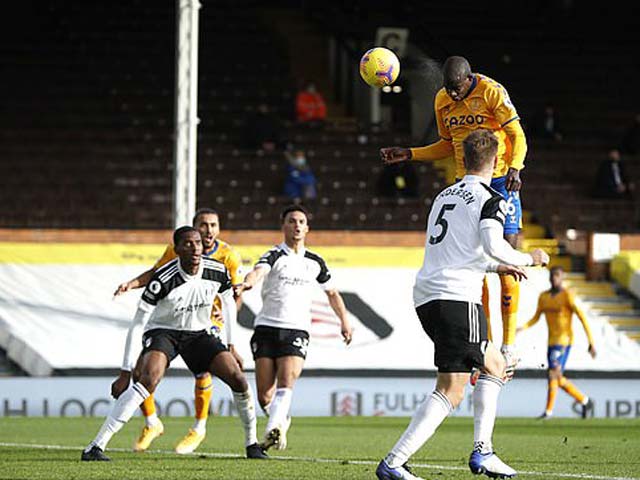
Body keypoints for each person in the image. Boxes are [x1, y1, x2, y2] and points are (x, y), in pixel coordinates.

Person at [376, 130, 549, 480]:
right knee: (491, 368)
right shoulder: (492, 198)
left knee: (457, 383)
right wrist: (530, 257)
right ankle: (469, 454)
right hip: (458, 298)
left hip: (428, 296)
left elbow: (456, 253)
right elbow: (494, 244)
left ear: (463, 158)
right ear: (497, 160)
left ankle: (403, 463)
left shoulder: (443, 196)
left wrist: (498, 266)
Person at [380, 56, 528, 372]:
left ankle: (510, 345)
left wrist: (516, 167)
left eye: (458, 89)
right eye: (449, 89)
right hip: (467, 184)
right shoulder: (443, 99)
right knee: (478, 264)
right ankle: (485, 341)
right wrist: (410, 154)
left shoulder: (491, 92)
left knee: (509, 257)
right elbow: (447, 145)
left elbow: (518, 135)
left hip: (501, 179)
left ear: (469, 78)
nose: (454, 95)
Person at [82, 227, 267, 461]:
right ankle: (95, 447)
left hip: (199, 334)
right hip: (164, 332)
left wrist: (231, 345)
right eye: (188, 244)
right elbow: (138, 323)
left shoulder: (217, 270)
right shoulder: (163, 279)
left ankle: (252, 445)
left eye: (198, 243)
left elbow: (229, 302)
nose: (195, 248)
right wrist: (125, 372)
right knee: (148, 380)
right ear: (177, 249)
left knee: (238, 379)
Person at [113, 208, 244, 454]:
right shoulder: (179, 248)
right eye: (203, 225)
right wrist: (132, 283)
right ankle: (152, 422)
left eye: (213, 225)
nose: (208, 230)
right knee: (142, 370)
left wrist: (225, 317)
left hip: (207, 319)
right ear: (194, 228)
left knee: (203, 371)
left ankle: (199, 427)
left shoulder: (229, 255)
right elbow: (157, 273)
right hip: (173, 319)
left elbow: (236, 296)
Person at [234, 205, 353, 451]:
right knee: (265, 397)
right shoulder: (274, 255)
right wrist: (246, 284)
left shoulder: (314, 261)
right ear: (283, 226)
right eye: (292, 221)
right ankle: (281, 421)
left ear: (307, 228)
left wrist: (344, 321)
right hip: (266, 327)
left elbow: (332, 293)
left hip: (296, 329)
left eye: (301, 221)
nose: (297, 225)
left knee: (286, 380)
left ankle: (272, 428)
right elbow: (258, 272)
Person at [516, 266, 596, 419]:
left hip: (564, 341)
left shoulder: (567, 296)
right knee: (556, 377)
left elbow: (582, 317)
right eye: (552, 275)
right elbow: (536, 317)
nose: (554, 278)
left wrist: (590, 341)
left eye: (557, 275)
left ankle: (548, 412)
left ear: (562, 277)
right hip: (551, 342)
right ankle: (584, 401)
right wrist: (522, 328)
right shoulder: (544, 297)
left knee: (553, 374)